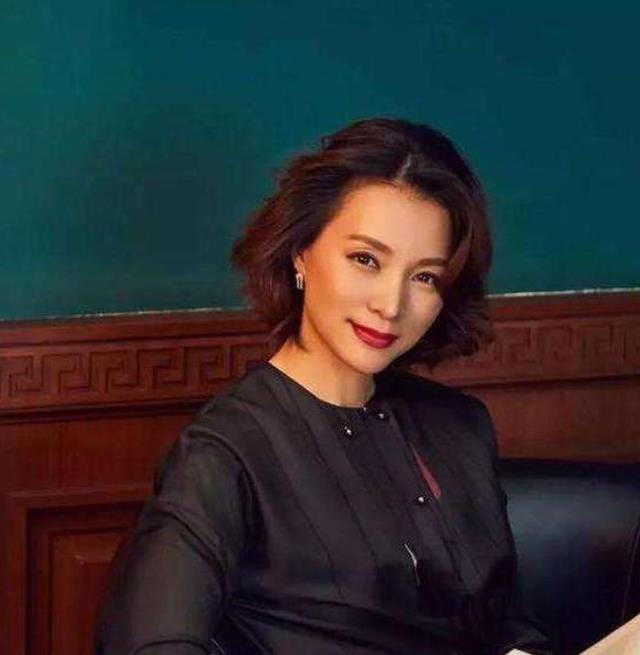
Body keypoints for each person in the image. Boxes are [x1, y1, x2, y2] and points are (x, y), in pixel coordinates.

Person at [94, 117, 552, 654]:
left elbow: (506, 627)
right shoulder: (224, 453)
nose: (391, 305)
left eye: (424, 276)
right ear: (300, 252)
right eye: (366, 260)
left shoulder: (459, 425)